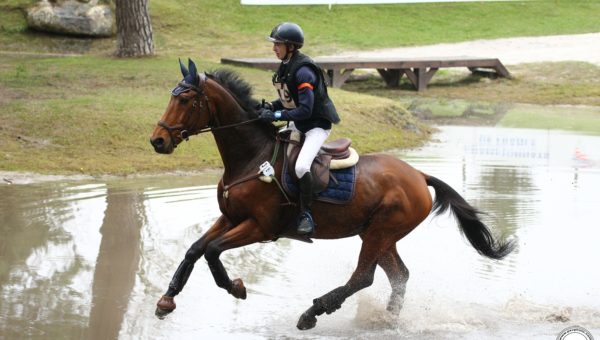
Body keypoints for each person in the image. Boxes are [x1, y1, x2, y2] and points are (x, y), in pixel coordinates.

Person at [258, 22, 341, 236]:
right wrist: (270, 107)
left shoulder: (304, 71)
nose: (274, 48)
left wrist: (275, 115)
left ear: (291, 46)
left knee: (302, 167)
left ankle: (306, 214)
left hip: (315, 127)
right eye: (274, 44)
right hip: (299, 124)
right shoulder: (286, 65)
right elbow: (287, 99)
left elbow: (305, 110)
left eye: (278, 44)